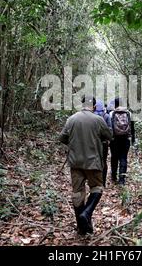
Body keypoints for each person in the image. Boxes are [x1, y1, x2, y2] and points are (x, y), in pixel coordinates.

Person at [58, 95, 112, 235]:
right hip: (93, 161)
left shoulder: (72, 119)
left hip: (76, 162)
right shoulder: (98, 120)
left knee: (77, 193)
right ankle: (86, 213)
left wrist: (74, 144)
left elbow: (62, 137)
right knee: (97, 187)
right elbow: (109, 136)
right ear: (94, 106)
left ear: (82, 104)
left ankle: (82, 228)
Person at [109, 97, 135, 186]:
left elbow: (109, 127)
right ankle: (122, 180)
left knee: (114, 157)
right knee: (123, 158)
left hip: (114, 139)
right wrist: (133, 140)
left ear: (115, 104)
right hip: (125, 139)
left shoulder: (111, 113)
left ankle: (113, 176)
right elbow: (132, 128)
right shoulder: (129, 113)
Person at [94, 99, 112, 187]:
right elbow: (110, 131)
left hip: (93, 143)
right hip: (104, 143)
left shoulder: (92, 116)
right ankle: (103, 182)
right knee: (103, 162)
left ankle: (96, 182)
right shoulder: (107, 116)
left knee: (94, 161)